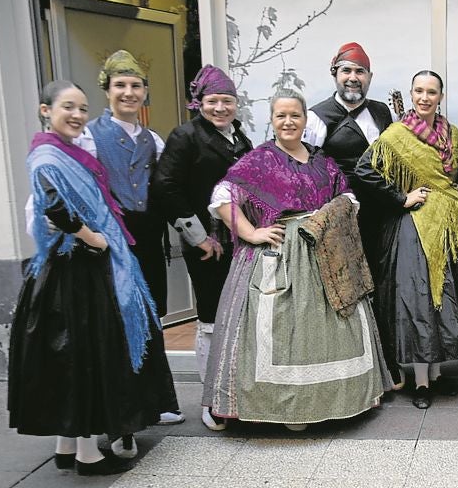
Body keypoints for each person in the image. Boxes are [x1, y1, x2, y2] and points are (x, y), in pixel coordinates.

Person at [9, 80, 175, 475]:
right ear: (45, 110)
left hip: (66, 270)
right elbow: (55, 208)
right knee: (85, 356)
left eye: (82, 108)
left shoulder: (65, 151)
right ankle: (88, 453)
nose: (77, 115)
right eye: (68, 107)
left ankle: (66, 446)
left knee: (70, 356)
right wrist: (95, 239)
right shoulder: (49, 156)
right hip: (77, 269)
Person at [202, 89, 391, 429]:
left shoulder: (322, 160)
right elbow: (223, 197)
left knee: (324, 328)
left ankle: (329, 400)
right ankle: (284, 408)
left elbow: (346, 194)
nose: (288, 122)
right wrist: (250, 232)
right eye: (281, 116)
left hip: (324, 252)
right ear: (272, 121)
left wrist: (333, 212)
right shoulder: (260, 161)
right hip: (278, 256)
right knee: (283, 330)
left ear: (305, 120)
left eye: (295, 115)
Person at [355, 70, 458, 408]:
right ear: (411, 94)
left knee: (442, 299)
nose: (425, 97)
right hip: (414, 228)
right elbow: (365, 171)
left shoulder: (451, 133)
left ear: (440, 96)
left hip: (445, 226)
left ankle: (436, 376)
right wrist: (400, 198)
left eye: (431, 92)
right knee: (419, 300)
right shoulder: (397, 134)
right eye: (419, 91)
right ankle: (420, 383)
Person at [79, 50, 183, 438]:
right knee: (120, 318)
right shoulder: (89, 136)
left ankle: (158, 401)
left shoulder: (153, 140)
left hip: (148, 236)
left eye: (135, 86)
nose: (128, 92)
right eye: (120, 85)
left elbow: (165, 190)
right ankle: (123, 407)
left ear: (144, 93)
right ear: (107, 90)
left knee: (152, 315)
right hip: (112, 239)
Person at [150, 65, 253, 430]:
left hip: (239, 241)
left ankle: (236, 392)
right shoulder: (185, 137)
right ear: (199, 102)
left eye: (227, 101)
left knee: (238, 316)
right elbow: (166, 189)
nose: (221, 108)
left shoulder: (239, 138)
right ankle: (211, 401)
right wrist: (198, 238)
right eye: (213, 101)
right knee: (210, 317)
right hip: (209, 243)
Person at [304, 41, 401, 387]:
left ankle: (385, 366)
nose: (353, 77)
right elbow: (308, 168)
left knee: (380, 285)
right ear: (335, 74)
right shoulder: (316, 116)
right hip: (340, 218)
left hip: (381, 214)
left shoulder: (380, 113)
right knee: (347, 289)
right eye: (347, 70)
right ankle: (350, 371)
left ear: (369, 77)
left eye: (360, 71)